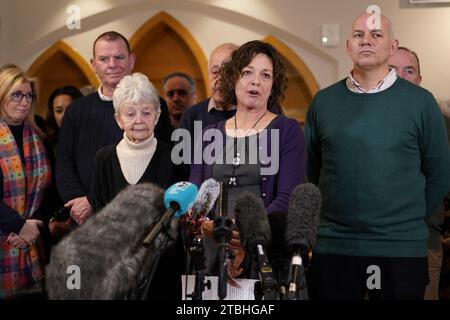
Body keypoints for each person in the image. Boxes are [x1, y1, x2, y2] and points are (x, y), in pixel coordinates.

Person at [305, 12, 450, 300]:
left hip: (399, 247)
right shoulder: (324, 101)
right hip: (335, 245)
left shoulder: (421, 102)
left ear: (392, 46)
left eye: (376, 35)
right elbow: (314, 169)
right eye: (358, 35)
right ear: (348, 46)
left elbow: (439, 173)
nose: (366, 41)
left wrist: (405, 217)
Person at [189, 40, 306, 280]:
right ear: (234, 79)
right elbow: (196, 197)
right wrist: (207, 226)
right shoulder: (209, 133)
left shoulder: (287, 130)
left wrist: (244, 238)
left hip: (264, 249)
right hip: (213, 249)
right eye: (247, 73)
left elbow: (286, 199)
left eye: (265, 75)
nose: (256, 81)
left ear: (273, 86)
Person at [56, 31, 172, 227]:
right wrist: (81, 201)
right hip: (85, 219)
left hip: (140, 218)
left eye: (119, 57)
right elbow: (64, 163)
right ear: (93, 64)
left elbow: (161, 161)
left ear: (131, 60)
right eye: (104, 59)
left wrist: (93, 200)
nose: (112, 64)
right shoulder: (76, 110)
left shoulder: (153, 105)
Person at [90, 72, 182, 299]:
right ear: (118, 119)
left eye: (146, 112)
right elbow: (99, 214)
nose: (139, 120)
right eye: (130, 113)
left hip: (163, 269)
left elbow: (178, 219)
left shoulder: (174, 158)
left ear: (158, 115)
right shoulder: (104, 159)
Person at [389, 47, 445, 300]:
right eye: (392, 70)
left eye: (408, 71)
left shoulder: (441, 123)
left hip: (421, 241)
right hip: (368, 243)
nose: (400, 77)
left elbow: (442, 177)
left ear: (419, 80)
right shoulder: (361, 120)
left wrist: (415, 217)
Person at [0, 65, 52, 299]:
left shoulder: (38, 136)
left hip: (32, 238)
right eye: (17, 95)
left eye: (29, 95)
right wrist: (18, 226)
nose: (24, 102)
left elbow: (47, 190)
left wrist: (32, 224)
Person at [177, 44, 239, 179]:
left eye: (227, 72)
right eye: (215, 72)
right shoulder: (191, 116)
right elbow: (181, 171)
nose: (221, 79)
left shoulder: (256, 115)